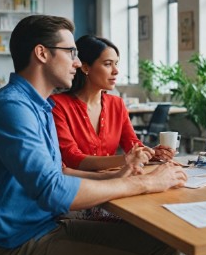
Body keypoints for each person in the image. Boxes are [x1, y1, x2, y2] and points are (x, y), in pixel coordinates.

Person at [0, 15, 187, 255]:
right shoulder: (12, 108)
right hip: (8, 246)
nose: (78, 62)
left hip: (43, 228)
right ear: (42, 53)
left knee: (163, 246)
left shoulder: (40, 106)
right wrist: (146, 183)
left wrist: (118, 175)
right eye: (71, 52)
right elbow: (54, 191)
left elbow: (60, 173)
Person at [52, 35, 174, 171]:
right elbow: (71, 157)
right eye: (108, 64)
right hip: (78, 186)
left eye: (116, 63)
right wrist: (126, 159)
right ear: (85, 67)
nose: (116, 71)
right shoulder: (57, 105)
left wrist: (151, 153)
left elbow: (133, 145)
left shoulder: (117, 104)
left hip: (114, 180)